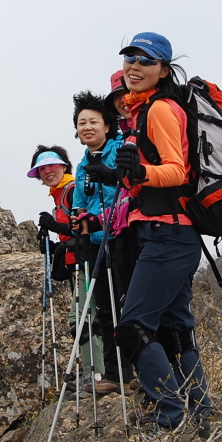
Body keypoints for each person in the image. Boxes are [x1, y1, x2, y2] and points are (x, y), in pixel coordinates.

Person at [111, 32, 213, 442]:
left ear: (163, 70)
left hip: (168, 235)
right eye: (130, 57)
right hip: (169, 233)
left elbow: (178, 172)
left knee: (132, 329)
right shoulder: (143, 112)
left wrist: (142, 175)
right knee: (176, 329)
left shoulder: (159, 110)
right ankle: (200, 412)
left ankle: (171, 420)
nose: (134, 66)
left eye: (145, 60)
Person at [68, 91, 132, 397]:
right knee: (105, 310)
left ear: (108, 126)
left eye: (93, 121)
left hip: (122, 238)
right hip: (94, 243)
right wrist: (77, 220)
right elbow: (79, 203)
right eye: (82, 123)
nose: (87, 127)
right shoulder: (81, 166)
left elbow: (128, 195)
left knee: (127, 305)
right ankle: (114, 373)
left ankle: (140, 371)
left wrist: (100, 219)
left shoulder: (121, 150)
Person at [28, 145, 104, 390]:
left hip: (87, 263)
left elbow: (86, 225)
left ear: (64, 166)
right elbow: (68, 236)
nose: (48, 171)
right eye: (42, 168)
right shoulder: (59, 195)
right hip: (76, 265)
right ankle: (95, 372)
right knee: (87, 318)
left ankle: (97, 375)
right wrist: (52, 242)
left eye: (52, 165)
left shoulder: (73, 190)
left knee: (81, 319)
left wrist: (57, 227)